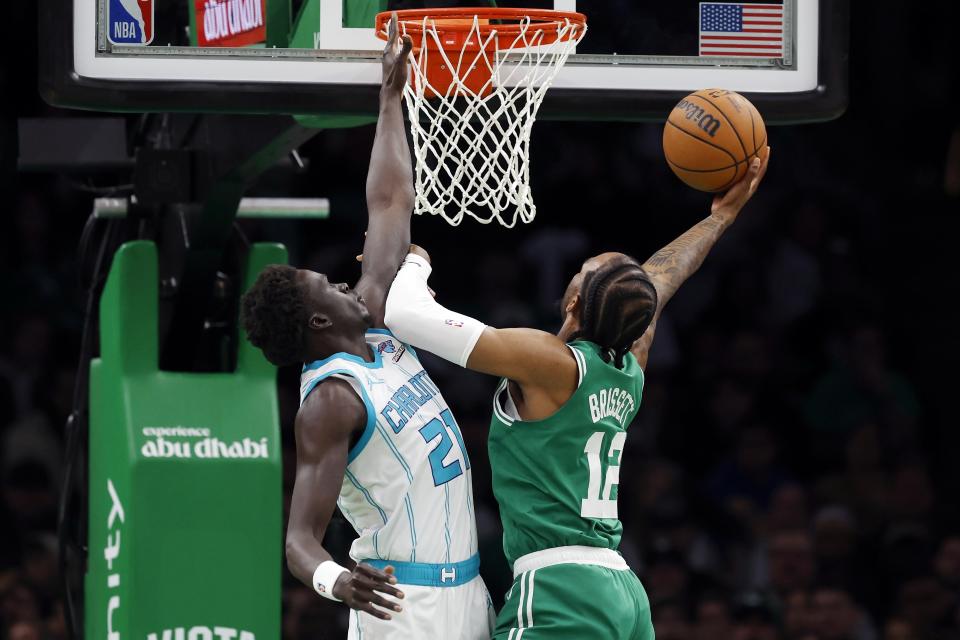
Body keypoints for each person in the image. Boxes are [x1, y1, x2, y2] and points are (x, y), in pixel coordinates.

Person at [384, 149, 770, 638]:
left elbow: (403, 316)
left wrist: (416, 262)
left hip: (559, 588)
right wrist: (721, 218)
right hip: (622, 589)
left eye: (587, 267)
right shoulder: (631, 365)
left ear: (572, 301)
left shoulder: (548, 360)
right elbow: (666, 274)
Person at [240, 17, 492, 640]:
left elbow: (387, 204)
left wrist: (388, 98)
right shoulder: (329, 401)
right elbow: (299, 540)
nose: (340, 278)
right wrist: (335, 579)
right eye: (324, 282)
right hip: (403, 605)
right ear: (319, 319)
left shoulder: (375, 318)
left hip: (468, 588)